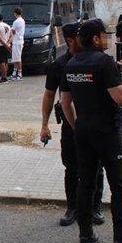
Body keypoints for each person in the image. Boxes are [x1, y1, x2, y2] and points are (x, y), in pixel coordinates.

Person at [60, 19, 122, 243]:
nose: (107, 38)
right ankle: (121, 241)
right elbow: (121, 97)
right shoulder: (105, 63)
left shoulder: (72, 63)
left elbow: (65, 102)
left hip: (83, 132)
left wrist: (77, 126)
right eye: (104, 35)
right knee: (119, 186)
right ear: (95, 39)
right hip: (108, 132)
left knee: (85, 183)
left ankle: (85, 237)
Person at [41, 22, 105, 227]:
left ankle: (95, 208)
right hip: (71, 125)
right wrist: (44, 125)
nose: (84, 38)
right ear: (71, 40)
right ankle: (73, 208)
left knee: (97, 167)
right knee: (72, 167)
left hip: (95, 123)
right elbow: (50, 95)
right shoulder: (59, 65)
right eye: (79, 36)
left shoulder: (95, 61)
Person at [0, 13, 12, 83]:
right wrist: (8, 43)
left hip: (0, 46)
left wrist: (5, 44)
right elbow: (11, 35)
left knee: (1, 62)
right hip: (7, 45)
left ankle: (4, 78)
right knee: (6, 61)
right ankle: (4, 76)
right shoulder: (7, 26)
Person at [10, 7, 26, 80]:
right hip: (20, 41)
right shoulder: (22, 20)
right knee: (15, 58)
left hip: (17, 41)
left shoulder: (16, 22)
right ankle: (14, 72)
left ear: (15, 13)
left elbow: (12, 31)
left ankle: (19, 74)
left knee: (18, 58)